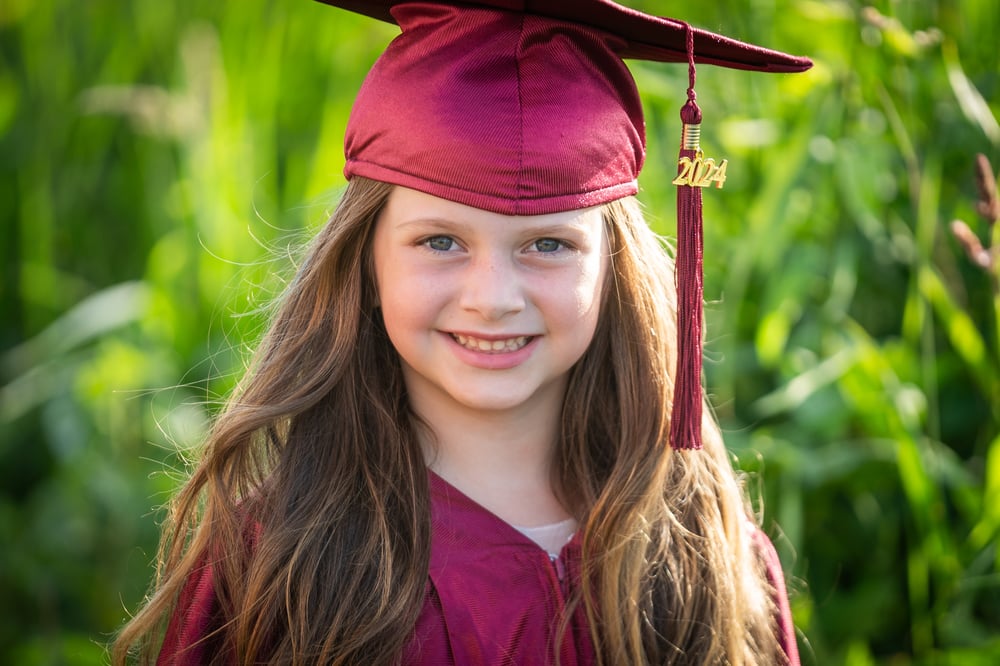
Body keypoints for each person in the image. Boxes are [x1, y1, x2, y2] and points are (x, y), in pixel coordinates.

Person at [114, 1, 811, 664]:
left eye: (547, 245)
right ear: (366, 261)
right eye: (441, 242)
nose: (493, 300)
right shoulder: (273, 560)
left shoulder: (703, 553)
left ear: (614, 268)